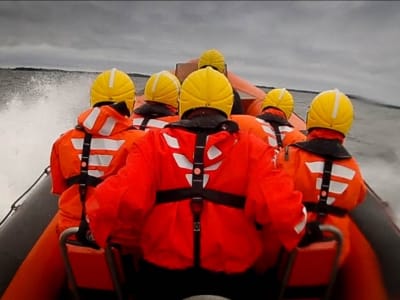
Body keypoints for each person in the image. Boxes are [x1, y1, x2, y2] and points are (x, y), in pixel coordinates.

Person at [86, 67, 307, 300]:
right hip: (235, 281)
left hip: (162, 278)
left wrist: (112, 235)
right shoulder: (254, 149)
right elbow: (288, 216)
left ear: (183, 105)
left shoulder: (152, 145)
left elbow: (112, 205)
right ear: (228, 109)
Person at [50, 68, 146, 240]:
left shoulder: (63, 141)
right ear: (131, 103)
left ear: (92, 100)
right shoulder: (142, 141)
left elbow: (60, 188)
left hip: (69, 231)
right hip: (118, 236)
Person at [277, 88, 367, 266]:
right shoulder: (354, 169)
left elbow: (274, 194)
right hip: (333, 254)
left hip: (287, 249)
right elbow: (357, 198)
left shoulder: (290, 156)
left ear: (311, 117)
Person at [198, 48, 245, 114]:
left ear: (199, 67)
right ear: (222, 70)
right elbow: (238, 117)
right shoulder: (231, 92)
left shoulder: (188, 88)